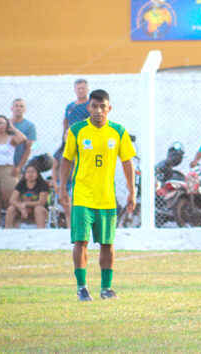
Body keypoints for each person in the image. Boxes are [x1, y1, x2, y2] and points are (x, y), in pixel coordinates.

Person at [59, 89, 136, 301]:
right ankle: (82, 287)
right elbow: (66, 160)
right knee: (80, 241)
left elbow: (127, 161)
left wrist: (132, 192)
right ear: (88, 107)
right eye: (94, 106)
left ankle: (106, 289)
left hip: (107, 198)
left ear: (109, 108)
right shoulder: (77, 130)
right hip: (82, 196)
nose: (99, 110)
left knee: (107, 244)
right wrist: (61, 188)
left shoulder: (118, 132)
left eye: (103, 106)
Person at [6, 163, 50, 229]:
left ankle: (41, 232)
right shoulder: (21, 184)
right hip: (23, 211)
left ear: (38, 174)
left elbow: (42, 202)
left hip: (39, 211)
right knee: (11, 209)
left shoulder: (43, 185)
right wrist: (20, 206)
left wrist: (25, 204)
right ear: (25, 174)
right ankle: (7, 232)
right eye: (28, 172)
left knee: (38, 209)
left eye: (33, 172)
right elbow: (12, 200)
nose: (30, 174)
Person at [11, 98, 37, 174]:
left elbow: (29, 148)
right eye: (16, 106)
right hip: (5, 164)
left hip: (19, 165)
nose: (18, 108)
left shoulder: (30, 126)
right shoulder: (5, 124)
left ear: (25, 109)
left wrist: (19, 167)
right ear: (12, 108)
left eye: (21, 106)